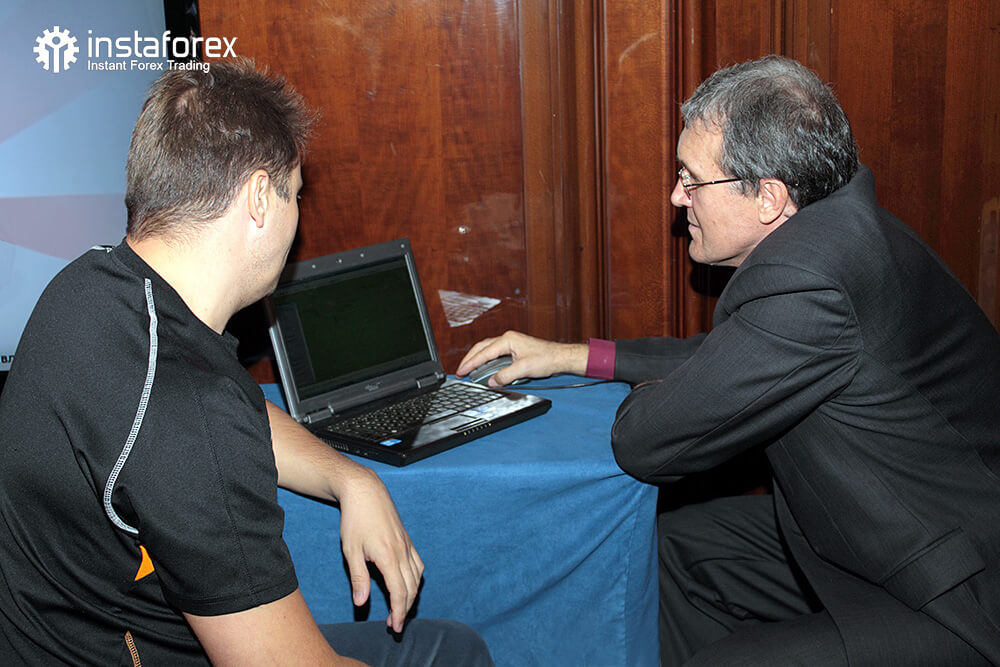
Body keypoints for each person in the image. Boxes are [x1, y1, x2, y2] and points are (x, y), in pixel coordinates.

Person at [458, 55, 1000, 666]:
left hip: (955, 588)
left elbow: (646, 442)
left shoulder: (809, 283)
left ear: (768, 197)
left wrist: (663, 398)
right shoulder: (841, 225)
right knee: (678, 551)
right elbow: (733, 358)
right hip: (880, 526)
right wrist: (576, 355)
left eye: (692, 180)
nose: (676, 196)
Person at [0, 61, 492, 666]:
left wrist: (350, 478)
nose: (298, 217)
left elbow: (234, 403)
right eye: (296, 194)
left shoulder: (90, 285)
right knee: (453, 653)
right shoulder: (191, 418)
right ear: (260, 197)